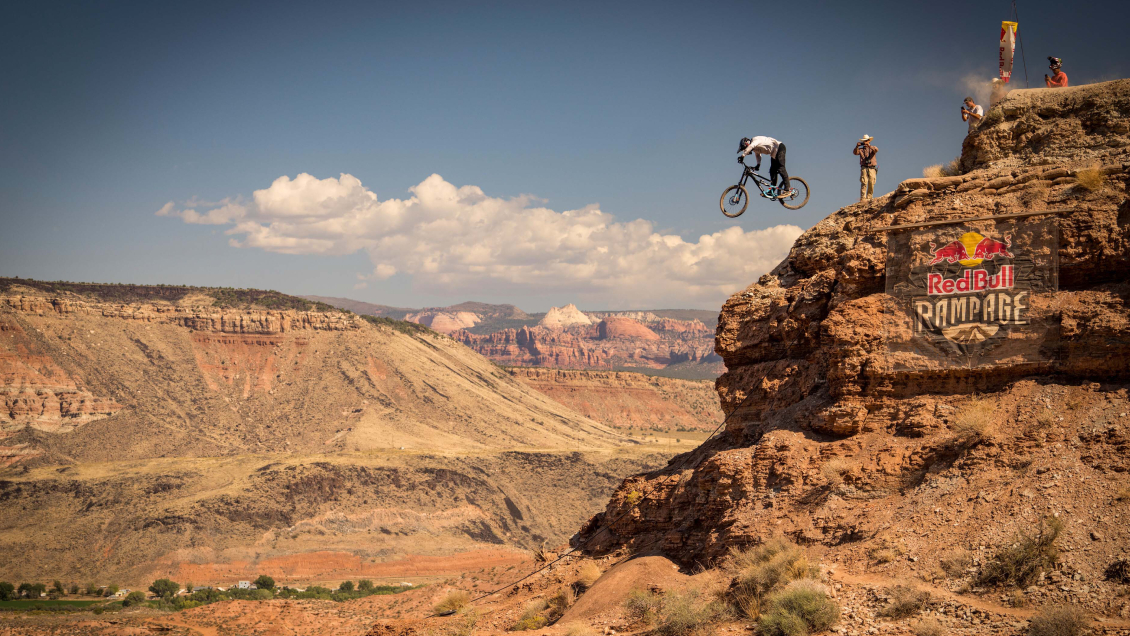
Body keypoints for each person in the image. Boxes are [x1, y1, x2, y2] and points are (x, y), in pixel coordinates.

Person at [853, 134, 878, 201]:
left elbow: (876, 150)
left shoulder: (872, 148)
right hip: (864, 167)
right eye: (864, 141)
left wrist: (869, 146)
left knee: (871, 182)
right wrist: (857, 146)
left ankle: (869, 197)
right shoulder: (861, 149)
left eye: (866, 140)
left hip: (872, 167)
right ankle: (863, 198)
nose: (865, 142)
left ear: (869, 141)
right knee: (864, 182)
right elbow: (855, 153)